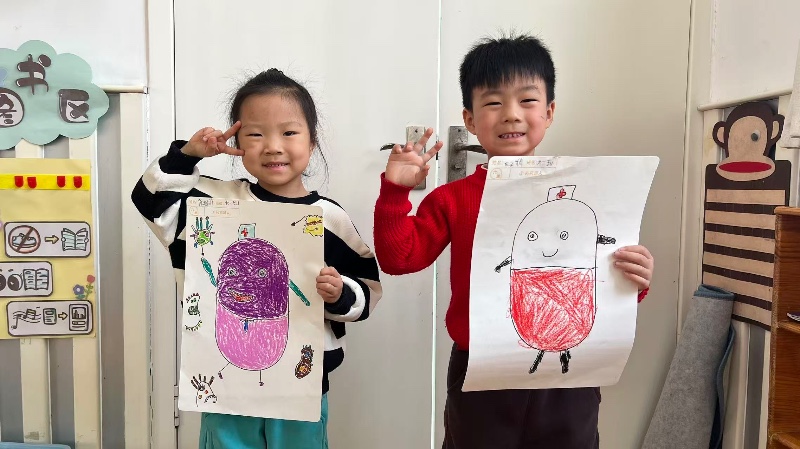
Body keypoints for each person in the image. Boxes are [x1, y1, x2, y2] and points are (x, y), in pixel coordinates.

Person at [373, 34, 654, 448]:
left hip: (567, 375)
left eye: (527, 100)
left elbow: (601, 280)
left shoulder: (587, 194)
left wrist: (634, 277)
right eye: (493, 102)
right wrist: (395, 192)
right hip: (481, 373)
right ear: (470, 120)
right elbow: (400, 258)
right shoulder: (453, 198)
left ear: (549, 112)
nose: (511, 115)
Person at [132, 68, 382, 449]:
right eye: (255, 134)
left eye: (289, 132)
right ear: (236, 142)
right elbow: (150, 201)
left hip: (301, 386)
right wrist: (187, 156)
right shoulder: (212, 203)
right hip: (223, 386)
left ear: (312, 141)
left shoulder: (329, 219)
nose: (273, 146)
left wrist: (339, 293)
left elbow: (368, 289)